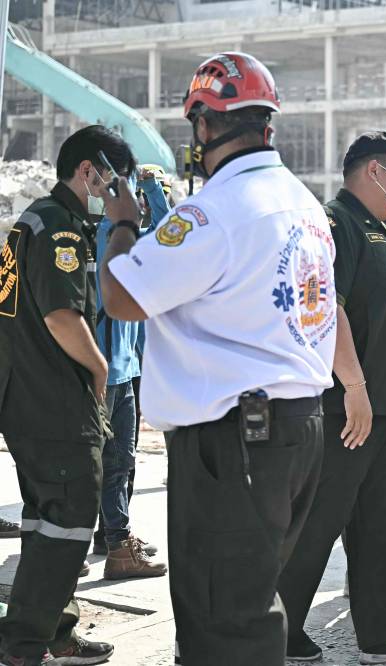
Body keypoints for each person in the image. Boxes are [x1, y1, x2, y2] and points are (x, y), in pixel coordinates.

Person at [97, 53, 337, 666]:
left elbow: (123, 298)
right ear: (266, 125)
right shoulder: (303, 203)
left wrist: (122, 227)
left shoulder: (213, 211)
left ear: (203, 125)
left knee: (223, 619)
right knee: (252, 597)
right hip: (297, 430)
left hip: (235, 442)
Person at [276, 131, 386, 665]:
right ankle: (276, 630)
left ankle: (385, 631)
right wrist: (354, 387)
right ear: (374, 170)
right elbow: (329, 310)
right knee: (317, 524)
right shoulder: (336, 225)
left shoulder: (382, 229)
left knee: (384, 526)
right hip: (347, 409)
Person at [0, 125, 129, 666]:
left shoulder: (31, 221)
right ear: (88, 170)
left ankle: (54, 630)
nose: (112, 193)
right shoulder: (59, 230)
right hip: (53, 399)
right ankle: (24, 643)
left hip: (24, 394)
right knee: (73, 513)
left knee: (46, 519)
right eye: (111, 181)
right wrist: (99, 370)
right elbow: (60, 315)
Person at [91, 171, 167, 580]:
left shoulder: (134, 237)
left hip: (128, 369)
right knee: (109, 462)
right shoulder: (109, 234)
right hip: (108, 370)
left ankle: (113, 536)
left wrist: (153, 188)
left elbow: (171, 228)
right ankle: (116, 542)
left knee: (123, 461)